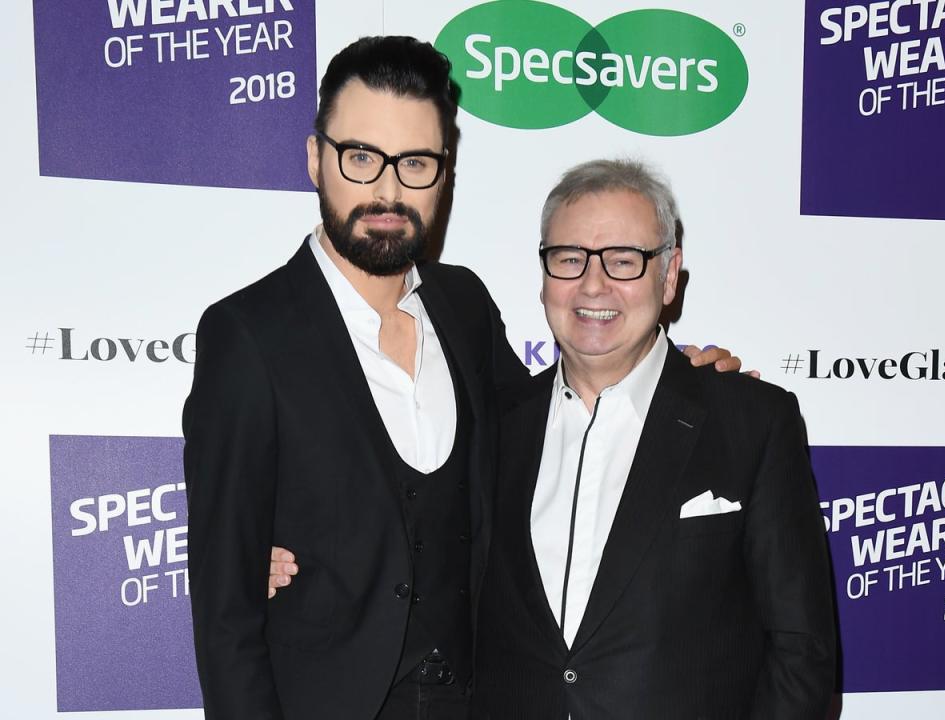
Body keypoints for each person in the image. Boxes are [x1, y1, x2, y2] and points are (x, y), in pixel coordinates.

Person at [185, 36, 738, 720]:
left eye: (415, 163)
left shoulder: (463, 306)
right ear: (314, 160)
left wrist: (668, 380)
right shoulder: (248, 335)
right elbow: (224, 617)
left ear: (444, 174)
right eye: (361, 157)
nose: (387, 190)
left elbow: (552, 418)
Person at [471, 159, 836, 719]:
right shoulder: (491, 425)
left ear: (669, 277)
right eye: (569, 259)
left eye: (624, 260)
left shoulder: (753, 423)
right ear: (543, 275)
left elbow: (801, 651)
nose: (594, 285)